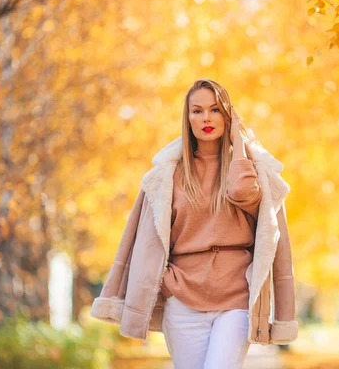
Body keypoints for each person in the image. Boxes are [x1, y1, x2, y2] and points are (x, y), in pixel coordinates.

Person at [90, 79, 298, 369]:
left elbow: (241, 193)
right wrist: (166, 283)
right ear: (187, 118)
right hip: (183, 299)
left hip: (234, 299)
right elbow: (149, 241)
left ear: (228, 116)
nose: (206, 118)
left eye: (215, 110)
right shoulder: (169, 174)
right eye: (197, 111)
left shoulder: (249, 170)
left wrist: (239, 144)